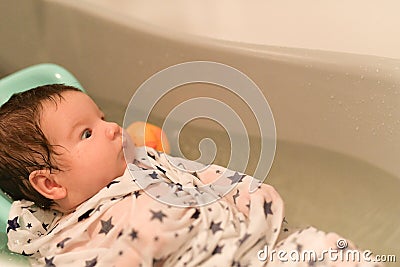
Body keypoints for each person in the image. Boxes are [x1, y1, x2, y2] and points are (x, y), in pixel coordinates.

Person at [0, 84, 382, 266]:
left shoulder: (132, 161)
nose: (111, 127)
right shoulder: (74, 239)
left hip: (260, 245)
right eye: (87, 132)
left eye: (101, 117)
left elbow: (170, 168)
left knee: (331, 251)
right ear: (50, 184)